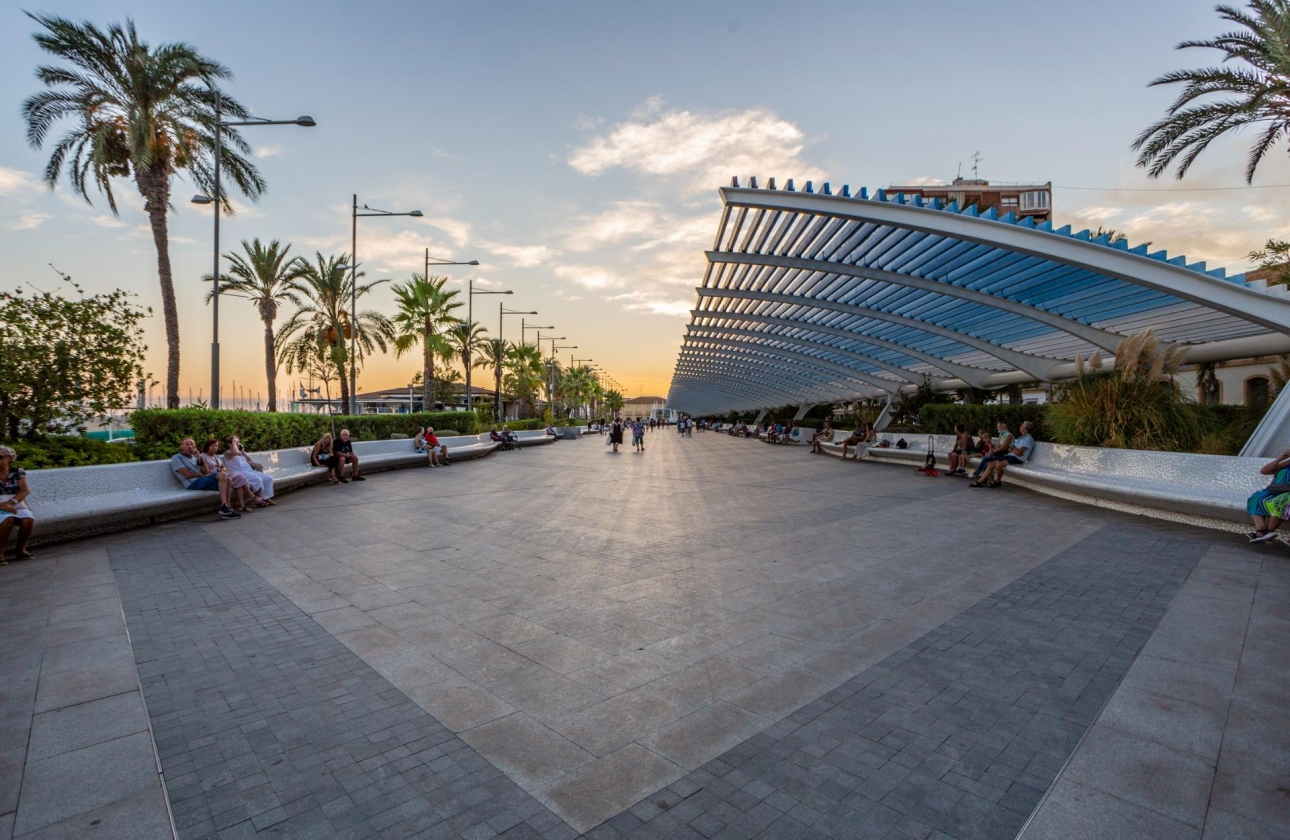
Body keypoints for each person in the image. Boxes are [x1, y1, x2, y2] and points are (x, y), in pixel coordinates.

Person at [171, 438, 238, 519]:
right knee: (222, 475)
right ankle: (224, 507)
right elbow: (187, 475)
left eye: (192, 444)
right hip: (192, 483)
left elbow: (206, 471)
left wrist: (199, 458)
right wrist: (202, 475)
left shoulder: (195, 457)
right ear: (181, 446)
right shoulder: (177, 458)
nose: (190, 447)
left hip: (202, 481)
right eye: (187, 444)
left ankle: (227, 508)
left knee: (228, 480)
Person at [199, 438, 257, 511]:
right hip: (215, 476)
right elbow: (204, 471)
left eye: (216, 446)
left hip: (223, 474)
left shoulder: (215, 456)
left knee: (240, 480)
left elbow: (224, 467)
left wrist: (223, 469)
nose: (214, 448)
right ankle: (250, 495)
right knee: (239, 477)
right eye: (212, 446)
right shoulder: (203, 456)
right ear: (207, 446)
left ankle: (242, 505)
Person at [970, 421, 1032, 488]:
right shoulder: (1021, 438)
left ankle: (997, 482)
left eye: (1021, 425)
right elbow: (1013, 448)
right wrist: (1012, 449)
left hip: (1018, 459)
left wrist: (1011, 449)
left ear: (1025, 428)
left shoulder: (1029, 439)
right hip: (1011, 456)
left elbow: (1019, 453)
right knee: (990, 464)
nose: (1020, 426)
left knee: (998, 464)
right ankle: (980, 481)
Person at [0, 445, 35, 562]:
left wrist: (11, 502)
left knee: (28, 520)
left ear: (9, 458)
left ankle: (20, 549)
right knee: (7, 519)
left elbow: (25, 490)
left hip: (15, 502)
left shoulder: (18, 472)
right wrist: (3, 506)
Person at [1247, 449, 1290, 542]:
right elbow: (1264, 471)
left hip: (1286, 493)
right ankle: (1261, 531)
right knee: (1255, 498)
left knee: (1281, 502)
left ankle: (1269, 532)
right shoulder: (1287, 463)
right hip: (1274, 490)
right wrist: (1279, 459)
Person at [224, 436, 276, 503]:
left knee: (268, 478)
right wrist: (234, 444)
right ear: (229, 444)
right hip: (239, 473)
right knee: (257, 479)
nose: (238, 444)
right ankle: (259, 500)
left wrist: (243, 452)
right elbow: (235, 453)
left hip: (249, 471)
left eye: (238, 442)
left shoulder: (240, 452)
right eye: (236, 442)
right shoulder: (228, 452)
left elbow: (250, 460)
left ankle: (266, 497)